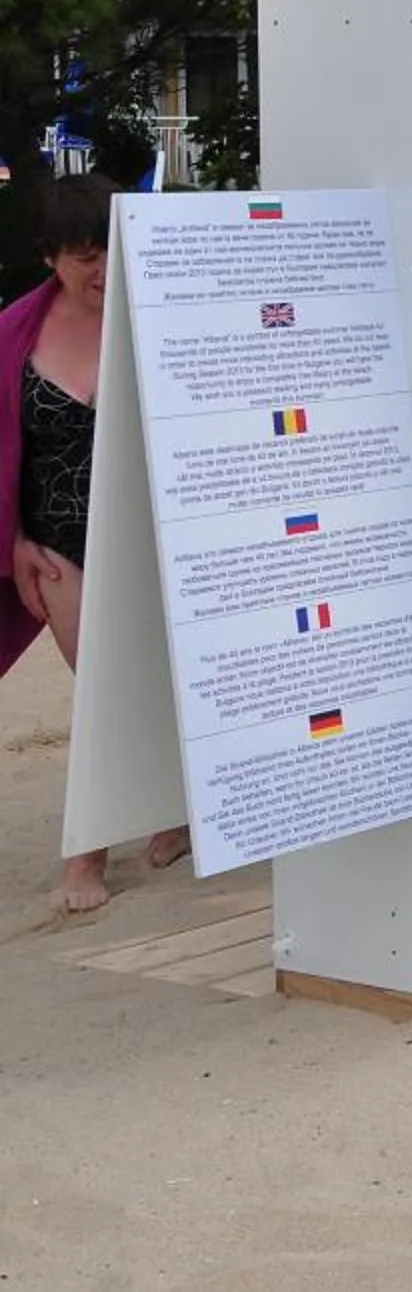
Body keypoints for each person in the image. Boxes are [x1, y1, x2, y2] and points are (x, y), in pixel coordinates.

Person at [0, 174, 187, 911]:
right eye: (85, 256)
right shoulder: (14, 333)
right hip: (58, 550)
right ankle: (86, 860)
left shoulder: (162, 316)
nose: (104, 270)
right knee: (106, 695)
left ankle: (172, 816)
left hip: (159, 544)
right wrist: (12, 541)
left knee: (168, 689)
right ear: (50, 257)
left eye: (113, 249)